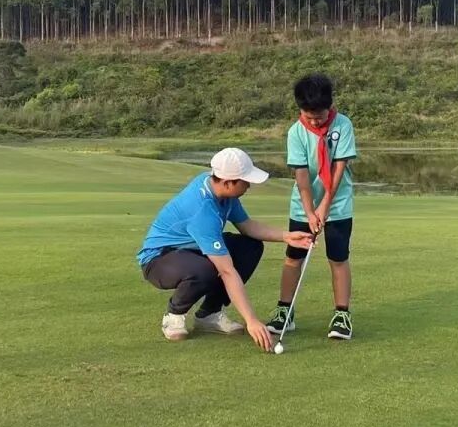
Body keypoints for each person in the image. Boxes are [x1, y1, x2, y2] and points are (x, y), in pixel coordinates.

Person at [137, 147, 313, 351]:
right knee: (206, 269)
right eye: (245, 181)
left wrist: (286, 236)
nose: (249, 185)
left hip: (192, 250)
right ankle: (174, 315)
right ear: (228, 182)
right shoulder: (203, 210)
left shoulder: (223, 192)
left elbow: (246, 226)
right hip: (159, 260)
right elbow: (226, 271)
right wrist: (251, 320)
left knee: (250, 246)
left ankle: (209, 314)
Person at [266, 73, 357, 341]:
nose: (315, 121)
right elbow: (302, 175)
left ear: (330, 105)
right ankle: (285, 310)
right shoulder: (296, 131)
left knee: (338, 258)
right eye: (309, 116)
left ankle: (341, 314)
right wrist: (309, 211)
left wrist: (325, 205)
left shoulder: (343, 125)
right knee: (294, 256)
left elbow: (339, 167)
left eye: (319, 116)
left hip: (338, 204)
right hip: (302, 205)